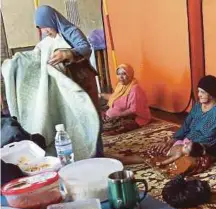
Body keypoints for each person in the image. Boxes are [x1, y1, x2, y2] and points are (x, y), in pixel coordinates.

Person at [34, 5, 103, 156]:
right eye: (42, 28)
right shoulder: (48, 38)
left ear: (52, 20)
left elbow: (85, 48)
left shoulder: (71, 31)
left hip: (84, 79)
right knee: (76, 118)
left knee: (91, 115)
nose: (45, 31)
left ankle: (99, 154)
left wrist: (67, 53)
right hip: (68, 82)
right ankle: (86, 152)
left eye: (46, 26)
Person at [154, 75, 216, 159]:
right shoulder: (197, 106)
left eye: (202, 92)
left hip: (206, 149)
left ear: (211, 93)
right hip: (188, 143)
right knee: (163, 150)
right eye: (198, 91)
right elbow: (186, 126)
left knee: (184, 160)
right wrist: (173, 140)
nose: (199, 95)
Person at [101, 64, 151, 133]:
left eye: (124, 74)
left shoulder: (135, 89)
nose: (120, 77)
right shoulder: (120, 86)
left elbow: (133, 110)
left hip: (132, 118)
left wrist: (117, 116)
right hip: (117, 116)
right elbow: (113, 98)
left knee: (107, 128)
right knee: (96, 120)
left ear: (130, 74)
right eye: (118, 74)